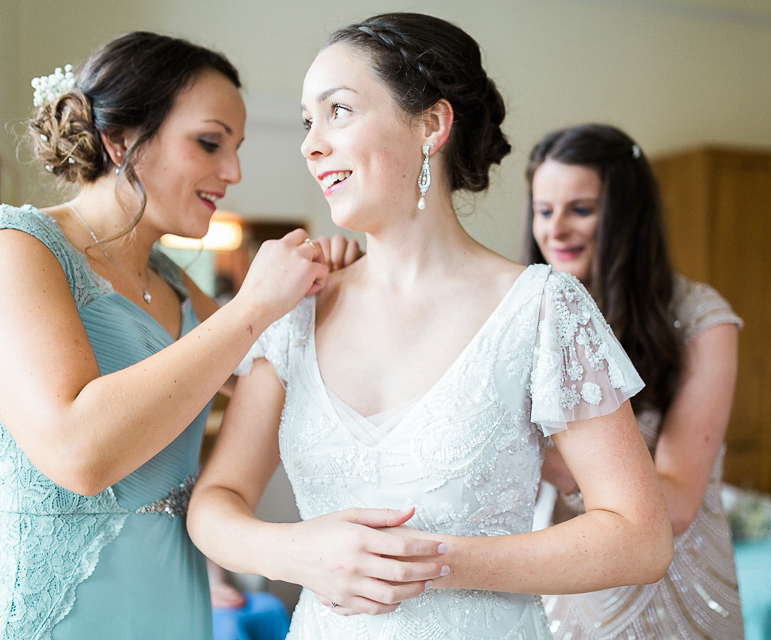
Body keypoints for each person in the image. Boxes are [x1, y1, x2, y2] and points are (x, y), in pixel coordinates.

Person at [187, 12, 673, 640]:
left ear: (432, 125)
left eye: (338, 111)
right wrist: (300, 553)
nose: (310, 144)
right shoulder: (298, 311)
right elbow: (215, 501)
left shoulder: (542, 308)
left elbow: (640, 537)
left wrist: (435, 563)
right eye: (308, 122)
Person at [0, 31, 445, 640]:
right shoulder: (18, 249)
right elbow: (77, 453)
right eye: (209, 143)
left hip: (173, 601)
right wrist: (256, 305)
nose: (231, 171)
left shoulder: (175, 286)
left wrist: (330, 296)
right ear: (122, 137)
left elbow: (291, 385)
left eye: (233, 148)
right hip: (68, 611)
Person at [524, 123, 745, 638]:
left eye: (581, 209)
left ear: (628, 215)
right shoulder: (523, 312)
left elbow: (678, 505)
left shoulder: (700, 319)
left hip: (673, 585)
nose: (555, 229)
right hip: (563, 575)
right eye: (543, 210)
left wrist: (534, 452)